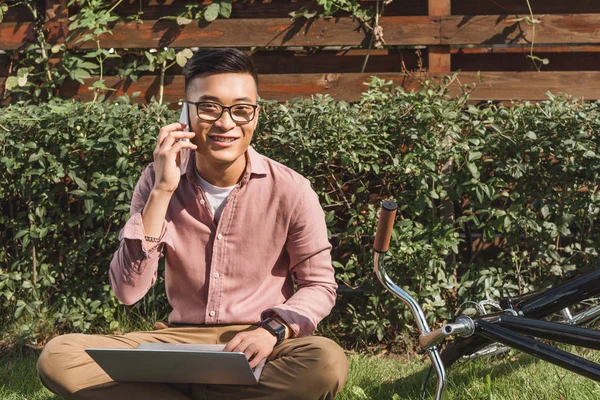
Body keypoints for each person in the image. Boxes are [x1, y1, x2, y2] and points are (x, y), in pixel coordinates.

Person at [36, 48, 349, 399]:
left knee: (326, 360)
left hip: (258, 342)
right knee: (58, 356)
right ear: (185, 113)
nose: (226, 123)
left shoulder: (291, 189)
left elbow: (320, 285)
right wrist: (163, 191)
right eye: (210, 107)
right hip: (177, 343)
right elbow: (127, 291)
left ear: (256, 116)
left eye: (241, 109)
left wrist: (272, 330)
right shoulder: (157, 180)